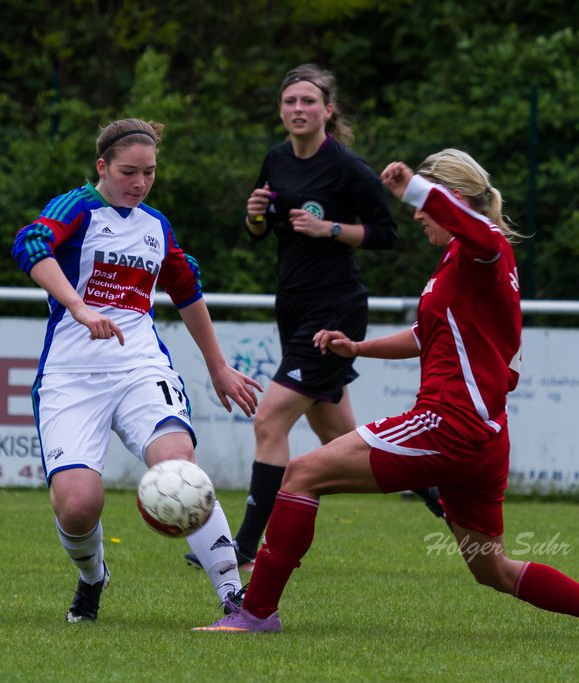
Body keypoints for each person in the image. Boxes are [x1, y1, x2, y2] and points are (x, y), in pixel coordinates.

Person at [197, 148, 579, 639]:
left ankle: (255, 613)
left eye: (426, 205)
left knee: (301, 473)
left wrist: (415, 189)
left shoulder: (485, 251)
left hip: (449, 422)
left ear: (453, 200)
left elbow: (479, 232)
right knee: (494, 569)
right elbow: (426, 335)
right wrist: (357, 346)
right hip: (483, 438)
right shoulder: (461, 263)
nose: (419, 216)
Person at [188, 63, 441, 574]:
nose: (298, 109)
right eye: (290, 102)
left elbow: (387, 234)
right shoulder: (276, 160)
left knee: (270, 417)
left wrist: (331, 230)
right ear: (281, 111)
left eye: (308, 101)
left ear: (328, 110)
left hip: (335, 310)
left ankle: (243, 546)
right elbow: (265, 229)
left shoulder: (348, 168)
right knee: (338, 439)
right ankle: (436, 487)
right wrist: (255, 215)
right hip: (294, 307)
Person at [12, 118, 263, 623]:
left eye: (149, 173)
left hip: (139, 366)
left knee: (180, 468)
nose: (140, 183)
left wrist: (217, 367)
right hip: (71, 376)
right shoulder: (76, 208)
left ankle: (235, 597)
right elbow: (30, 245)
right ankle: (92, 578)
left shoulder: (155, 225)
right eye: (129, 172)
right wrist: (79, 308)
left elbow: (186, 288)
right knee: (80, 504)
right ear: (102, 166)